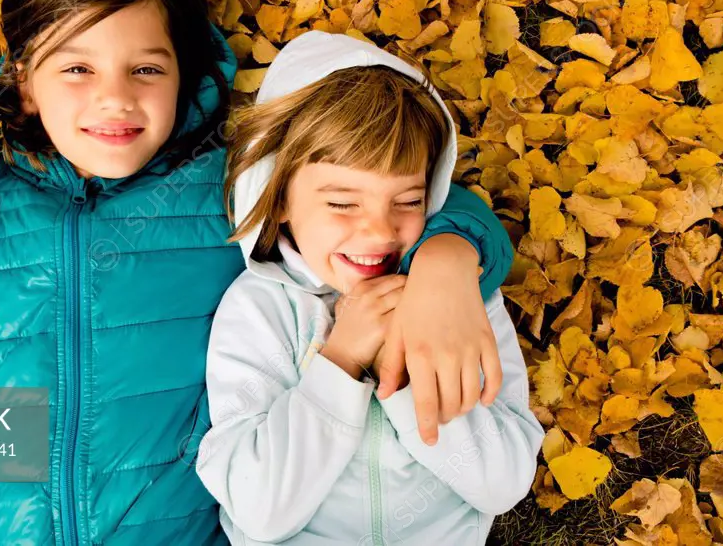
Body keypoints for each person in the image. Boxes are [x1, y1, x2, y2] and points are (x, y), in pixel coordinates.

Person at [0, 0, 513, 545]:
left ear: (183, 75)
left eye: (146, 69)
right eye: (77, 69)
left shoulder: (232, 193)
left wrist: (448, 262)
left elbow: (394, 200)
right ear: (26, 83)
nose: (115, 98)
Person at [196, 31, 544, 545]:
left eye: (406, 201)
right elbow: (260, 509)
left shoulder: (466, 301)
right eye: (341, 204)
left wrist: (404, 376)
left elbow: (503, 484)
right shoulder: (260, 309)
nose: (380, 231)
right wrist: (339, 362)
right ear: (280, 198)